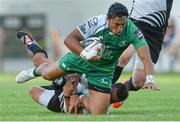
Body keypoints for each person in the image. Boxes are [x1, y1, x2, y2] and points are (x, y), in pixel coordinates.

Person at [16, 2, 155, 114]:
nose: (119, 28)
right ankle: (34, 70)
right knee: (47, 74)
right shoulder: (97, 22)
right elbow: (70, 39)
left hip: (102, 70)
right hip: (79, 60)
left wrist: (150, 79)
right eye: (116, 24)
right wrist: (85, 54)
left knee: (99, 112)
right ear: (108, 19)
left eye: (122, 25)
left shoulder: (132, 30)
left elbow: (145, 57)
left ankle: (81, 98)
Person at [112, 0, 173, 91]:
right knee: (124, 57)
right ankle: (102, 89)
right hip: (136, 21)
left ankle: (122, 90)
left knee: (138, 82)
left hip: (156, 31)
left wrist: (150, 79)